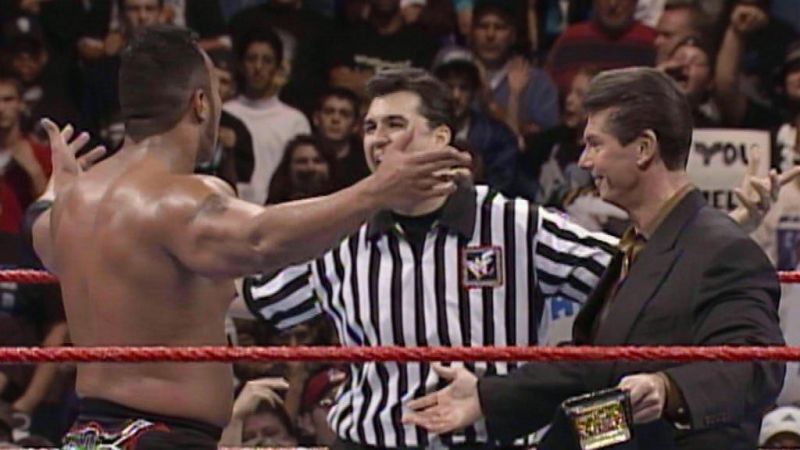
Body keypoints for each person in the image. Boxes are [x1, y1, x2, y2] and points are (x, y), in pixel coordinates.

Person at [240, 66, 781, 449]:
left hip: (490, 440)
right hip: (370, 440)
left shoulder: (516, 224)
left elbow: (664, 282)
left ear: (440, 138)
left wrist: (734, 227)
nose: (378, 141)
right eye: (370, 127)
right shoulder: (337, 238)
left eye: (395, 125)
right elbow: (255, 297)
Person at [24, 25, 469, 449]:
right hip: (165, 438)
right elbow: (262, 240)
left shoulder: (72, 205)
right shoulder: (182, 199)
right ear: (201, 104)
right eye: (218, 94)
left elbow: (39, 233)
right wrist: (377, 190)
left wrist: (55, 188)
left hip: (87, 434)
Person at [404, 67, 787, 450]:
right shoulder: (640, 244)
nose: (585, 161)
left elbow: (756, 364)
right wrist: (487, 396)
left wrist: (667, 388)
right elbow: (595, 367)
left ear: (643, 149)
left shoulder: (723, 249)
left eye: (595, 144)